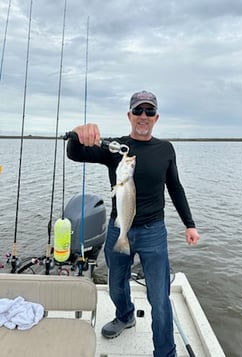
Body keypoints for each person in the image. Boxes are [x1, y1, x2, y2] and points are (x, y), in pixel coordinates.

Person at [67, 90, 199, 357]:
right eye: (138, 111)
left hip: (154, 233)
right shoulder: (116, 148)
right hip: (120, 227)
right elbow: (75, 153)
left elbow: (175, 187)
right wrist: (76, 133)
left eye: (149, 112)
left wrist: (190, 223)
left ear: (156, 117)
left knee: (160, 299)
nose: (143, 116)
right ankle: (125, 315)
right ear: (129, 115)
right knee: (116, 284)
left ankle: (165, 352)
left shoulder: (166, 149)